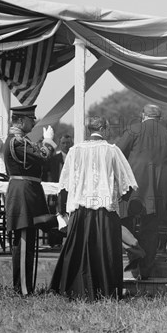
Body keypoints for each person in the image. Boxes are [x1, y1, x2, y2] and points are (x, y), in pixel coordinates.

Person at [50, 117, 138, 300]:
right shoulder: (112, 151)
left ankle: (75, 290)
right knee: (105, 251)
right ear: (104, 129)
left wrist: (64, 212)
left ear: (89, 130)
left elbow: (64, 185)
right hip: (105, 211)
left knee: (79, 249)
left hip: (80, 210)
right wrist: (116, 197)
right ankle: (105, 290)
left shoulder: (74, 151)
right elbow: (128, 184)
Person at [116, 104, 167, 279]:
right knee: (151, 230)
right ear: (160, 118)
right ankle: (145, 269)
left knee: (123, 223)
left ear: (143, 115)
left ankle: (134, 254)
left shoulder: (133, 130)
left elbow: (117, 156)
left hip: (133, 190)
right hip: (160, 192)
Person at [4, 105, 56, 295]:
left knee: (28, 241)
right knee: (24, 243)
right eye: (31, 119)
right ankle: (23, 290)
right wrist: (48, 141)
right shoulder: (17, 142)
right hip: (23, 194)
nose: (33, 122)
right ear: (20, 120)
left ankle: (26, 287)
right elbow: (43, 158)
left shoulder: (21, 141)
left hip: (27, 192)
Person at [44, 134, 73, 248]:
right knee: (54, 215)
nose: (66, 145)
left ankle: (69, 243)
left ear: (72, 144)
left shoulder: (74, 158)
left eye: (68, 143)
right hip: (55, 192)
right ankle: (54, 242)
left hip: (70, 193)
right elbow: (45, 172)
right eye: (64, 143)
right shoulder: (54, 159)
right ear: (60, 144)